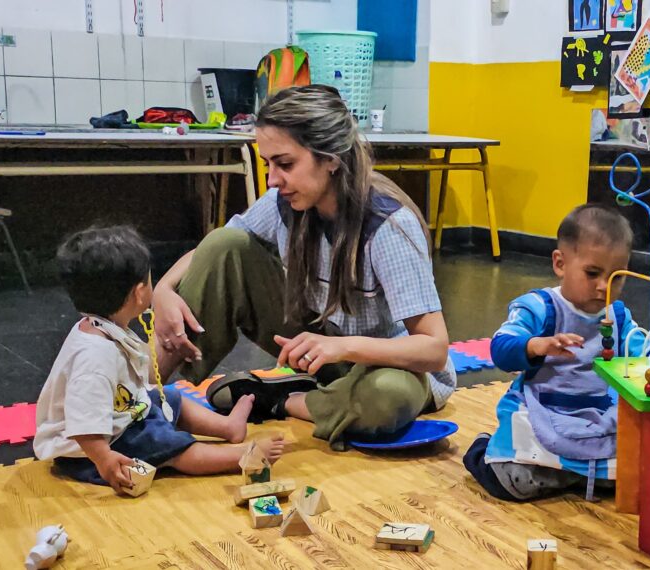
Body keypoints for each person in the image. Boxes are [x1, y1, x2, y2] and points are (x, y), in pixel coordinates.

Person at [151, 85, 456, 450]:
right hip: (322, 349)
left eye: (285, 164)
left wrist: (342, 348)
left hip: (386, 365)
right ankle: (143, 396)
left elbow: (434, 350)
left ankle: (283, 400)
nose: (272, 179)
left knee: (388, 397)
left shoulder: (388, 225)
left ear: (331, 158)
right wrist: (163, 291)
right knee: (224, 244)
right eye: (267, 164)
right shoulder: (285, 201)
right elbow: (213, 251)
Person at [463, 205, 650, 501]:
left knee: (632, 478)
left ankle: (571, 472)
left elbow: (644, 357)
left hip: (596, 415)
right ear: (560, 263)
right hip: (542, 411)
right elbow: (500, 348)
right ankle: (482, 450)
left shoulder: (617, 316)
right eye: (592, 273)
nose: (604, 286)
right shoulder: (540, 307)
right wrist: (536, 345)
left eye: (616, 277)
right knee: (515, 483)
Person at [33, 226, 284, 494]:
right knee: (165, 444)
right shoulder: (93, 359)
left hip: (120, 417)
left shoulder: (102, 325)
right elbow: (84, 425)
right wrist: (105, 460)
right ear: (140, 293)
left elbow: (137, 371)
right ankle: (241, 455)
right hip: (88, 452)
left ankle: (227, 427)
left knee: (170, 398)